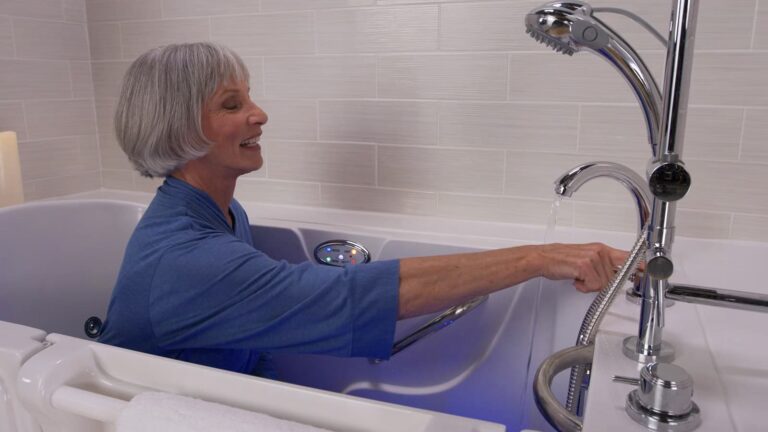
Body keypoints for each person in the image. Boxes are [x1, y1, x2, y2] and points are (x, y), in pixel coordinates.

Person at [99, 42, 630, 377]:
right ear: (180, 129)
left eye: (250, 98)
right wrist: (538, 258)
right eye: (232, 104)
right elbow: (350, 300)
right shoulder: (185, 258)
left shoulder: (220, 212)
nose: (260, 114)